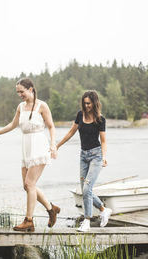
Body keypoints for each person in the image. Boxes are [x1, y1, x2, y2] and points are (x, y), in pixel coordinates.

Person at [0, 78, 60, 232]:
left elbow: (51, 126)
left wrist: (53, 144)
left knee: (30, 184)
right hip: (26, 147)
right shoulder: (20, 106)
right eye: (18, 92)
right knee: (27, 186)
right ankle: (50, 208)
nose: (20, 94)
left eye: (22, 91)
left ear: (31, 89)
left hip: (39, 145)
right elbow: (13, 125)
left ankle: (29, 221)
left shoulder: (42, 105)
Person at [56, 91, 112, 232]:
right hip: (83, 156)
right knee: (85, 190)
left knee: (87, 189)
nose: (86, 105)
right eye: (85, 103)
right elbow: (70, 132)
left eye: (89, 103)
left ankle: (86, 221)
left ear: (94, 103)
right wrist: (57, 145)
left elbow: (103, 141)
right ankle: (103, 210)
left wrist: (104, 156)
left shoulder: (100, 119)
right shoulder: (80, 115)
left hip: (96, 156)